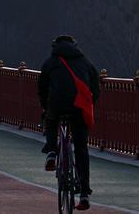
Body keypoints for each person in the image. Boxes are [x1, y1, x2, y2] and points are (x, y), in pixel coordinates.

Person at [38, 35, 100, 211]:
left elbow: (42, 87)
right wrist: (90, 104)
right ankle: (85, 194)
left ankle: (51, 151)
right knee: (81, 148)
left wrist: (45, 106)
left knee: (50, 119)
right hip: (79, 107)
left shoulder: (51, 62)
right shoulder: (85, 62)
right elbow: (95, 87)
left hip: (57, 105)